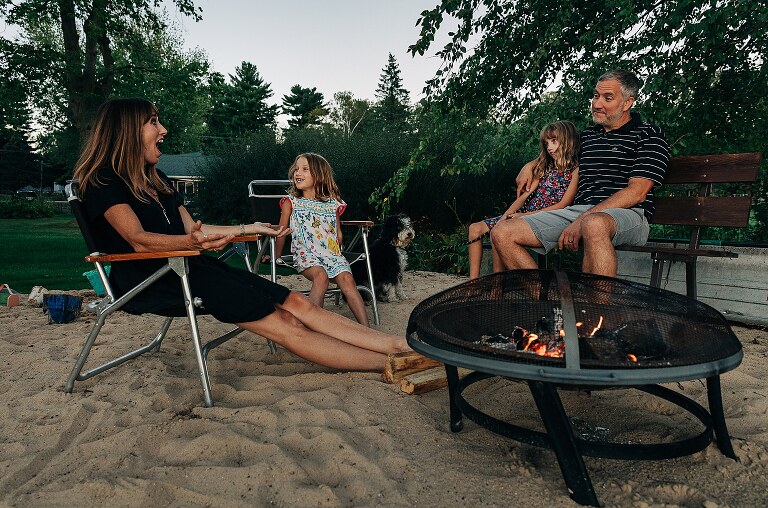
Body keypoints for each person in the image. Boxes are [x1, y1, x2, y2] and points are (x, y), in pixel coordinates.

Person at [72, 98, 410, 372]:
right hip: (153, 278)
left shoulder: (154, 178)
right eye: (153, 122)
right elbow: (139, 239)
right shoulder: (104, 181)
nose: (163, 129)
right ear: (126, 131)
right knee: (285, 323)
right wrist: (190, 244)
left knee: (295, 302)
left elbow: (192, 229)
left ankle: (397, 346)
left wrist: (248, 229)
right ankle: (390, 364)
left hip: (190, 268)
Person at [491, 69, 670, 277]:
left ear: (627, 103)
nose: (596, 104)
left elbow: (637, 192)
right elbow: (557, 155)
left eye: (607, 98)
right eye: (596, 95)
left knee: (593, 224)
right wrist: (530, 165)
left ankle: (599, 309)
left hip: (629, 214)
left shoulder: (649, 135)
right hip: (579, 212)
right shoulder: (586, 137)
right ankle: (547, 301)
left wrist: (585, 218)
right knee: (502, 232)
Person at [467, 120, 579, 279]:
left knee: (498, 233)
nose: (549, 147)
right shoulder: (545, 167)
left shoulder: (575, 170)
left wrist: (524, 216)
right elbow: (525, 196)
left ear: (568, 140)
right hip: (523, 213)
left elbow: (563, 205)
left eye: (554, 141)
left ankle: (497, 284)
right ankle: (473, 283)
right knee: (474, 228)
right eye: (547, 143)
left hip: (543, 218)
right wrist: (506, 215)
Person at [272, 153, 369, 325]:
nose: (297, 173)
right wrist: (275, 256)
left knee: (348, 280)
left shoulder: (333, 203)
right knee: (321, 277)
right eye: (296, 169)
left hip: (331, 253)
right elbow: (281, 231)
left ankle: (366, 328)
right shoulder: (291, 202)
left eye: (304, 169)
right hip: (306, 253)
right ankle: (313, 326)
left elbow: (337, 234)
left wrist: (336, 253)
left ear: (319, 175)